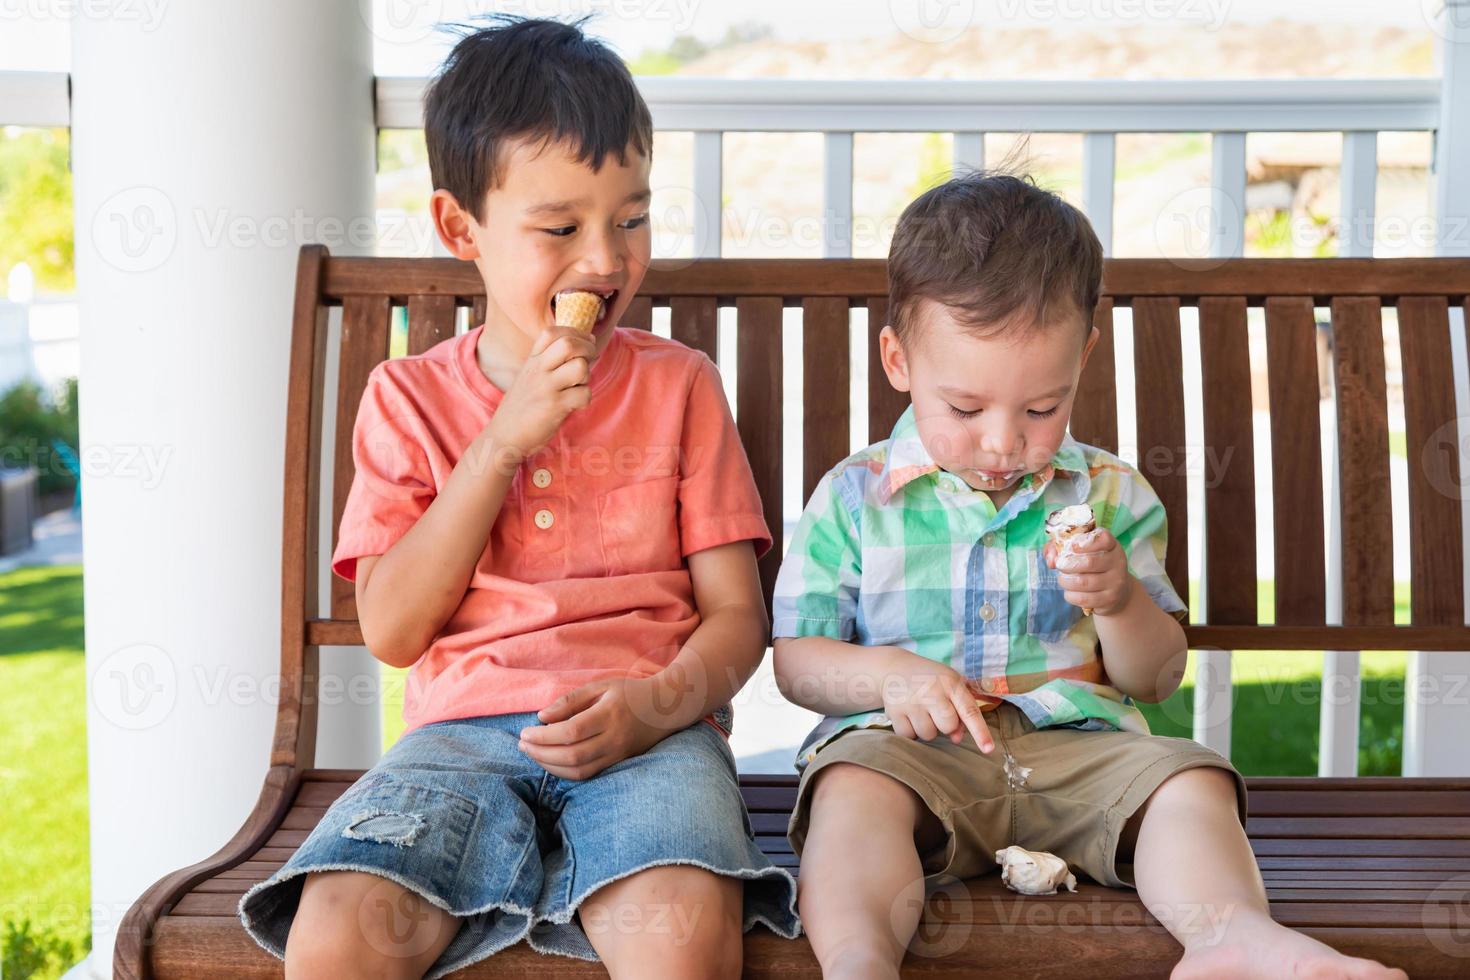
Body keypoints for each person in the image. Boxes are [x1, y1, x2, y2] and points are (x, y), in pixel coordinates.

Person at [238, 16, 798, 979]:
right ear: (463, 228)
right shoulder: (407, 399)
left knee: (682, 933)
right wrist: (500, 443)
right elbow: (395, 630)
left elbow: (737, 620)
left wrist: (655, 705)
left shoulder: (680, 387)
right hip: (457, 741)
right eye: (561, 228)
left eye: (631, 218)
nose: (607, 261)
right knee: (337, 936)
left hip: (652, 735)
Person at [771, 170, 1407, 980]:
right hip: (914, 755)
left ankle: (1233, 938)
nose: (1004, 442)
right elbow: (797, 662)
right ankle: (859, 961)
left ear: (1083, 359)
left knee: (1190, 784)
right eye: (965, 410)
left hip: (1081, 749)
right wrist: (885, 674)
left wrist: (1119, 600)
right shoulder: (855, 497)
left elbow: (1154, 676)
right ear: (897, 359)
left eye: (1042, 408)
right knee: (849, 794)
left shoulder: (1109, 494)